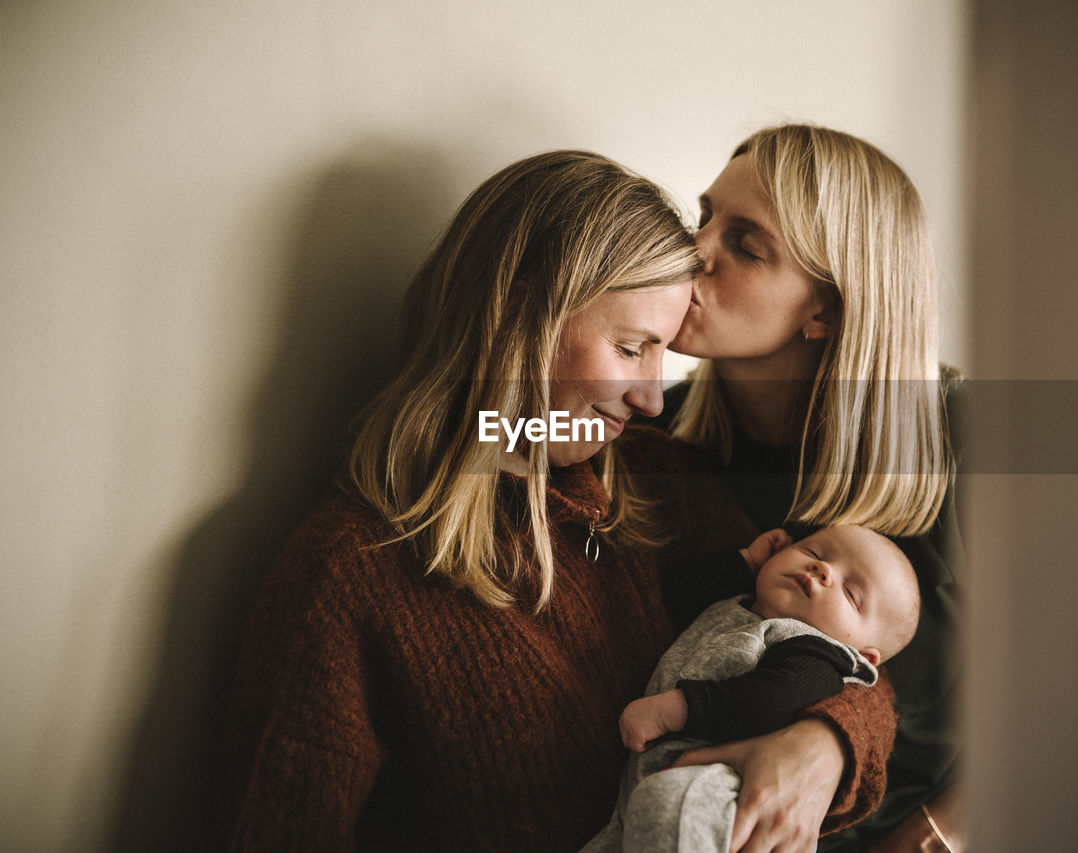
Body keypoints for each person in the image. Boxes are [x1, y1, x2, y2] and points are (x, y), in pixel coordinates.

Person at [221, 149, 899, 852]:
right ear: (520, 315)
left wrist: (829, 743)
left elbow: (848, 654)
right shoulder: (348, 573)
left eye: (664, 353)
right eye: (633, 349)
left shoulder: (656, 481)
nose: (652, 397)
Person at [652, 125, 967, 852]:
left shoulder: (968, 438)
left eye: (746, 243)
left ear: (825, 310)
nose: (693, 251)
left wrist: (935, 834)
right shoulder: (653, 438)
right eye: (703, 218)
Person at [585, 524, 921, 852]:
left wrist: (676, 710)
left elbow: (769, 700)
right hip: (639, 794)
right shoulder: (738, 603)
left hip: (723, 790)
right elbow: (675, 591)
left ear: (862, 655)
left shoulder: (819, 656)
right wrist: (746, 560)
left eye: (851, 593)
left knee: (664, 805)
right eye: (814, 552)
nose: (823, 570)